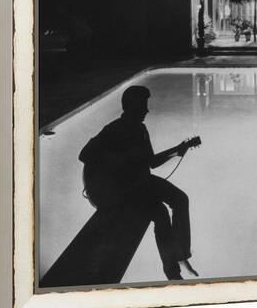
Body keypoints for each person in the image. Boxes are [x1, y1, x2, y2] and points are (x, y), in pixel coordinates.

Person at [79, 85, 198, 280]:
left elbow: (151, 162)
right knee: (167, 207)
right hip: (116, 190)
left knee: (174, 203)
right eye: (143, 105)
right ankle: (176, 263)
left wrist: (178, 149)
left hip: (135, 184)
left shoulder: (141, 129)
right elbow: (84, 155)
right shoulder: (113, 129)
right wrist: (121, 157)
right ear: (131, 106)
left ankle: (174, 265)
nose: (147, 110)